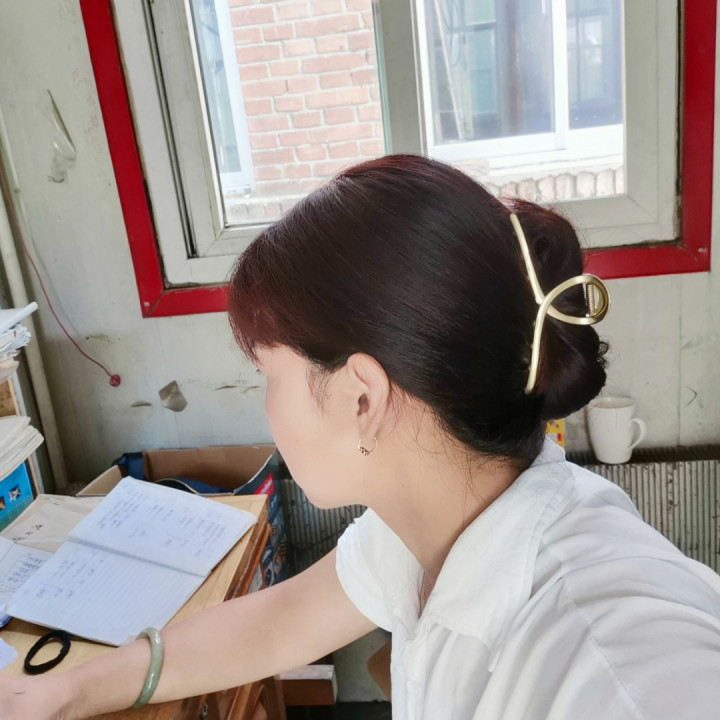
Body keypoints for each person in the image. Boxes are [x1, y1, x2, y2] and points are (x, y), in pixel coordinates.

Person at [2, 154, 720, 719]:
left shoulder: (616, 668)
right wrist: (67, 691)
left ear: (361, 397)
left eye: (267, 373)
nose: (265, 406)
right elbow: (279, 623)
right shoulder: (432, 521)